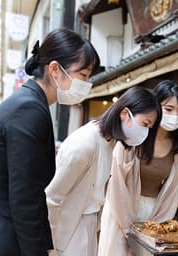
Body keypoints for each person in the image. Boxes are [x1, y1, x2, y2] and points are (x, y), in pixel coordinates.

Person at [0, 28, 100, 256]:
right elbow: (25, 197)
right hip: (1, 238)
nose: (87, 83)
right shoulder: (29, 109)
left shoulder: (30, 103)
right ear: (55, 69)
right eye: (83, 75)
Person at [45, 86, 161, 256]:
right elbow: (53, 198)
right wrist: (49, 246)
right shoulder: (85, 144)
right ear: (124, 114)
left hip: (87, 224)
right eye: (145, 124)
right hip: (69, 229)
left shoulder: (109, 142)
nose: (145, 132)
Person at [98, 80, 178, 256]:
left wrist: (158, 225)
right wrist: (127, 227)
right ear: (155, 106)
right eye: (169, 109)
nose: (175, 115)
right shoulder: (135, 134)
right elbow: (117, 183)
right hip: (121, 210)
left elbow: (173, 189)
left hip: (155, 212)